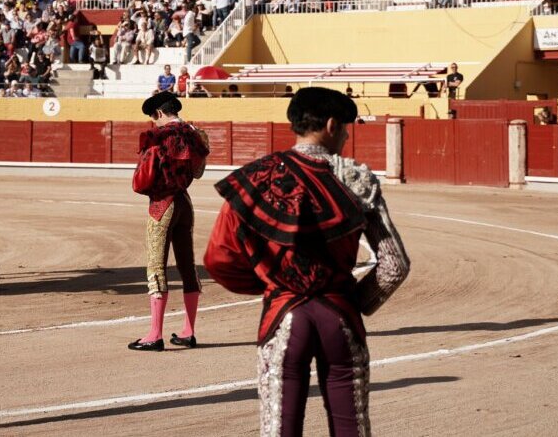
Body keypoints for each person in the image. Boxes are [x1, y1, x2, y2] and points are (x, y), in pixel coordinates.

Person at [204, 87, 410, 436]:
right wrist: (350, 301)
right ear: (331, 125)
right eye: (346, 127)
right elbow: (394, 266)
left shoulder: (259, 177)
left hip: (284, 317)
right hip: (341, 318)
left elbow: (218, 258)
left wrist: (272, 284)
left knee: (280, 429)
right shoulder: (356, 180)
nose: (346, 135)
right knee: (351, 428)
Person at [128, 91, 209, 351]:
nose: (154, 123)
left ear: (160, 113)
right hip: (185, 203)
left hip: (162, 204)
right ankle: (189, 331)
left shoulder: (157, 138)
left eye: (154, 117)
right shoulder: (195, 135)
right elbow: (197, 172)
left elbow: (141, 182)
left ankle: (155, 334)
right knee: (187, 266)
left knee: (156, 267)